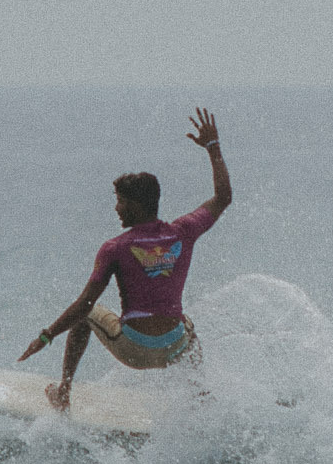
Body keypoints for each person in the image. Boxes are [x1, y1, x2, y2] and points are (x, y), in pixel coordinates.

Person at [19, 107, 232, 410]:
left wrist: (46, 336)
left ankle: (64, 391)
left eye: (120, 202)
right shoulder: (183, 232)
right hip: (173, 348)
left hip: (136, 350)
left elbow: (84, 304)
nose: (116, 208)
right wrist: (213, 147)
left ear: (135, 205)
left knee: (87, 315)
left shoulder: (115, 247)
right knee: (187, 325)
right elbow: (223, 197)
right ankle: (198, 395)